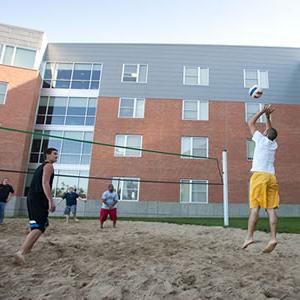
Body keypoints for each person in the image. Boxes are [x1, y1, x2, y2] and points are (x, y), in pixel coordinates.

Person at [242, 105, 279, 253]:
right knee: (271, 209)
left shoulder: (260, 139)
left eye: (264, 130)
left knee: (254, 208)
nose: (263, 130)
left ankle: (249, 236)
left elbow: (250, 122)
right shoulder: (273, 144)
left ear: (265, 134)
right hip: (271, 177)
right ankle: (273, 238)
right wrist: (268, 118)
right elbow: (270, 130)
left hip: (259, 177)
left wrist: (262, 112)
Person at [15, 148, 58, 264]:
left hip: (31, 198)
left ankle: (27, 249)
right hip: (39, 199)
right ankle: (21, 252)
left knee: (36, 225)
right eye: (54, 154)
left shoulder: (40, 166)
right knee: (39, 227)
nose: (56, 156)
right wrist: (50, 200)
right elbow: (45, 183)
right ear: (47, 155)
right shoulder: (49, 166)